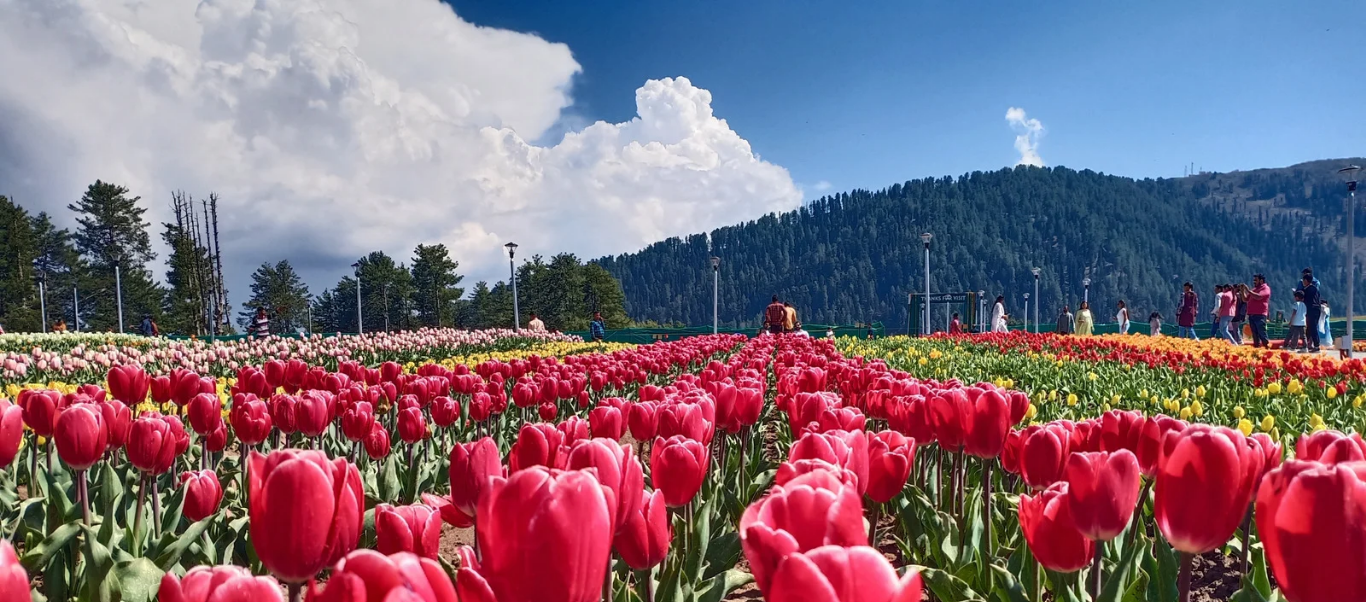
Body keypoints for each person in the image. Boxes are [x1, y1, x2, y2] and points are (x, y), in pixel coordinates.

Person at [1247, 274, 1271, 347]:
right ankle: (1256, 348)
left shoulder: (1265, 288)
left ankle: (1267, 347)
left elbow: (1259, 297)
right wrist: (1242, 291)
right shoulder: (1254, 289)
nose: (1254, 282)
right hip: (1251, 314)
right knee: (1254, 333)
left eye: (1256, 280)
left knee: (1262, 332)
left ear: (1261, 280)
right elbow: (1245, 299)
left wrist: (1248, 290)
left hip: (1260, 314)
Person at [1301, 274, 1322, 352]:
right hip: (1317, 309)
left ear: (1306, 281)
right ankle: (1306, 345)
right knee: (1310, 327)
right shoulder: (1315, 288)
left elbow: (1305, 300)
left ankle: (1316, 346)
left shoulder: (1307, 290)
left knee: (1312, 327)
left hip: (1311, 309)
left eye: (1303, 280)